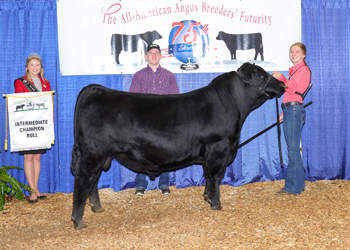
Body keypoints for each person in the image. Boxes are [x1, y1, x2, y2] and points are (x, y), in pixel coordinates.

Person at [129, 44, 180, 196]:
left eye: (156, 52)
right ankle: (140, 184)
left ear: (160, 56)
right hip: (144, 121)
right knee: (141, 152)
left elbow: (175, 99)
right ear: (146, 56)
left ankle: (164, 184)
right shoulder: (138, 75)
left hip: (163, 120)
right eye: (151, 53)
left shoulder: (169, 75)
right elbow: (132, 99)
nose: (154, 55)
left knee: (164, 151)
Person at [272, 42, 311, 196]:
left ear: (303, 55)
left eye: (297, 51)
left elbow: (295, 88)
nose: (293, 54)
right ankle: (299, 184)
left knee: (292, 150)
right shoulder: (295, 71)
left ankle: (292, 188)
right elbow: (290, 94)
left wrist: (281, 78)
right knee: (293, 149)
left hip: (294, 110)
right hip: (290, 110)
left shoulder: (304, 70)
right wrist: (283, 114)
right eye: (291, 52)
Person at [14, 53, 52, 203]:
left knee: (37, 157)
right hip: (27, 124)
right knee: (28, 157)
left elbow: (49, 104)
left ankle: (36, 189)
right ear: (27, 67)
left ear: (41, 67)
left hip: (41, 125)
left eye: (37, 65)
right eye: (32, 65)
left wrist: (50, 122)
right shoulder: (20, 82)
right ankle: (32, 191)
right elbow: (19, 103)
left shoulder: (45, 83)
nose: (35, 67)